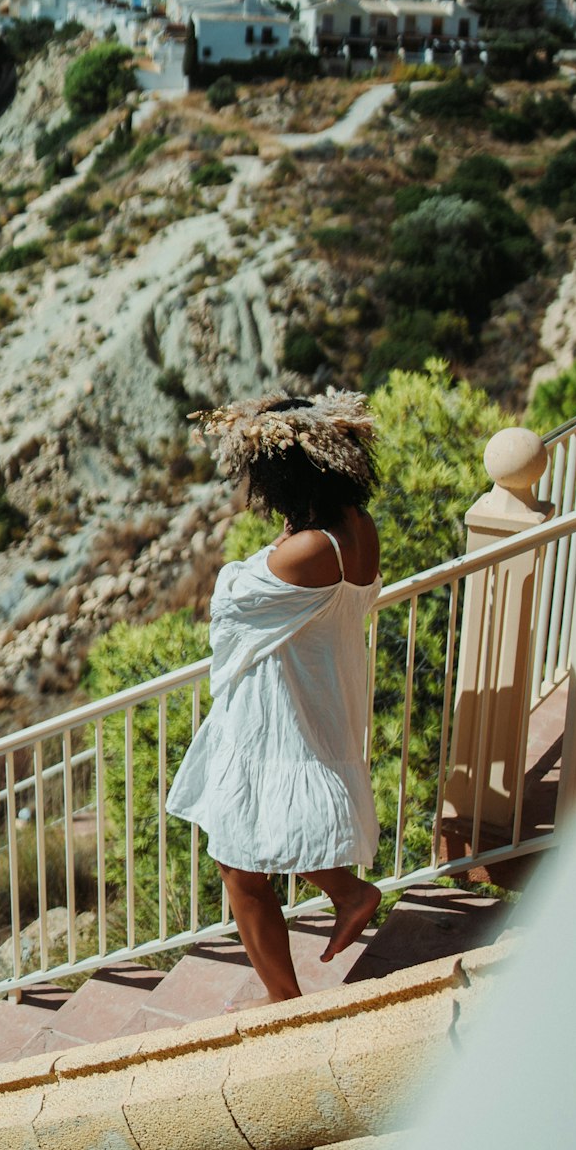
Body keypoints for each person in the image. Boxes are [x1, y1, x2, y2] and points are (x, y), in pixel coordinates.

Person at [166, 389, 383, 1003]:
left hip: (279, 713)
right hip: (316, 695)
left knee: (241, 865)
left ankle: (283, 1003)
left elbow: (231, 594)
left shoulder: (309, 548)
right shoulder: (357, 529)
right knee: (271, 836)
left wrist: (273, 546)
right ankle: (348, 894)